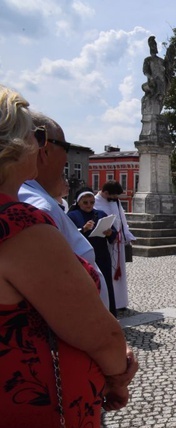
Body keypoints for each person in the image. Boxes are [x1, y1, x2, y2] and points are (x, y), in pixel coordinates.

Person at [0, 84, 138, 428]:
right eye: (34, 136)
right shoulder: (16, 224)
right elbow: (100, 333)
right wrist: (116, 374)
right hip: (40, 419)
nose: (39, 147)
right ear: (11, 144)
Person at [18, 112, 111, 311]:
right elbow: (57, 296)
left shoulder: (29, 199)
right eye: (65, 148)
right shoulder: (38, 210)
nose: (66, 160)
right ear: (44, 150)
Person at [68, 189, 118, 315]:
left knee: (105, 284)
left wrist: (110, 233)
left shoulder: (101, 213)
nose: (89, 205)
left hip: (101, 254)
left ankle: (109, 313)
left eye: (91, 202)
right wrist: (83, 229)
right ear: (79, 203)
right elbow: (68, 236)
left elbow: (114, 233)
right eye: (85, 202)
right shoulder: (72, 216)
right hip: (83, 256)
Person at [95, 181, 136, 312]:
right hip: (105, 242)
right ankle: (109, 301)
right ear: (106, 193)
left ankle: (120, 301)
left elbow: (122, 220)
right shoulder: (95, 202)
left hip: (118, 241)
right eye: (113, 195)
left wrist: (128, 235)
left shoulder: (115, 202)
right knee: (108, 272)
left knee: (119, 273)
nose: (115, 199)